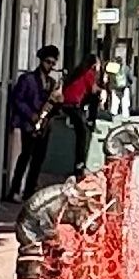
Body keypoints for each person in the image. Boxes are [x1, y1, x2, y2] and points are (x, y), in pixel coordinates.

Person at [27, 46, 105, 192]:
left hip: (66, 103)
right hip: (72, 104)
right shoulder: (89, 74)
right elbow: (94, 90)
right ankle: (79, 163)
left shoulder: (78, 73)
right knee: (82, 132)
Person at [3, 56, 55, 204]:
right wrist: (31, 115)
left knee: (38, 159)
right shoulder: (27, 79)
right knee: (25, 157)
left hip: (44, 125)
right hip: (28, 123)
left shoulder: (51, 83)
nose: (50, 66)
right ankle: (14, 190)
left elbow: (51, 105)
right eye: (48, 62)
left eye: (52, 63)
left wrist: (56, 105)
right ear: (41, 61)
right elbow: (18, 99)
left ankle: (29, 191)